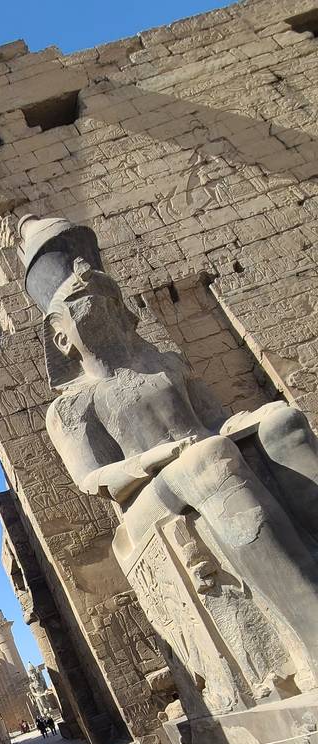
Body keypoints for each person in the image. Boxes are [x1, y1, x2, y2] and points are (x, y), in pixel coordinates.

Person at [20, 215, 318, 691]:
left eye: (103, 296)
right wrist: (156, 458)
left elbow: (216, 421)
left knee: (284, 425)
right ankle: (312, 633)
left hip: (199, 451)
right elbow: (92, 479)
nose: (95, 303)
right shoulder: (72, 405)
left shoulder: (166, 364)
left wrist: (254, 418)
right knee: (210, 459)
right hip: (146, 499)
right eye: (79, 303)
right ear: (60, 336)